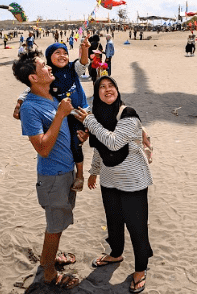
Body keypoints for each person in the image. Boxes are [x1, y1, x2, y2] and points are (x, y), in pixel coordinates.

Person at [11, 51, 87, 289]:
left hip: (65, 172)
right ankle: (49, 273)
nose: (49, 68)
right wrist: (60, 115)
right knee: (54, 227)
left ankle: (48, 258)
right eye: (44, 66)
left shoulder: (51, 97)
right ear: (34, 78)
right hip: (52, 176)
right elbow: (42, 148)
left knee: (59, 223)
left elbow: (60, 133)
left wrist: (79, 138)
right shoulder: (30, 108)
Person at [84, 76, 153, 294]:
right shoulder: (99, 116)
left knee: (137, 227)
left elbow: (113, 141)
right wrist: (94, 172)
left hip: (133, 181)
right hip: (109, 180)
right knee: (113, 221)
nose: (107, 90)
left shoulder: (128, 114)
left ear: (117, 89)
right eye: (101, 87)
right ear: (96, 94)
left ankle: (140, 269)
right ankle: (116, 253)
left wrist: (89, 121)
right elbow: (99, 148)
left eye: (111, 86)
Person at [14, 41, 91, 192]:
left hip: (81, 113)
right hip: (53, 175)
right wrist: (19, 104)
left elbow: (83, 63)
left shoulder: (69, 72)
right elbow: (28, 89)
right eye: (57, 53)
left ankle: (81, 174)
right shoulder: (43, 87)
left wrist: (84, 49)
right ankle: (80, 175)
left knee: (81, 139)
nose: (62, 56)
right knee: (75, 142)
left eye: (65, 53)